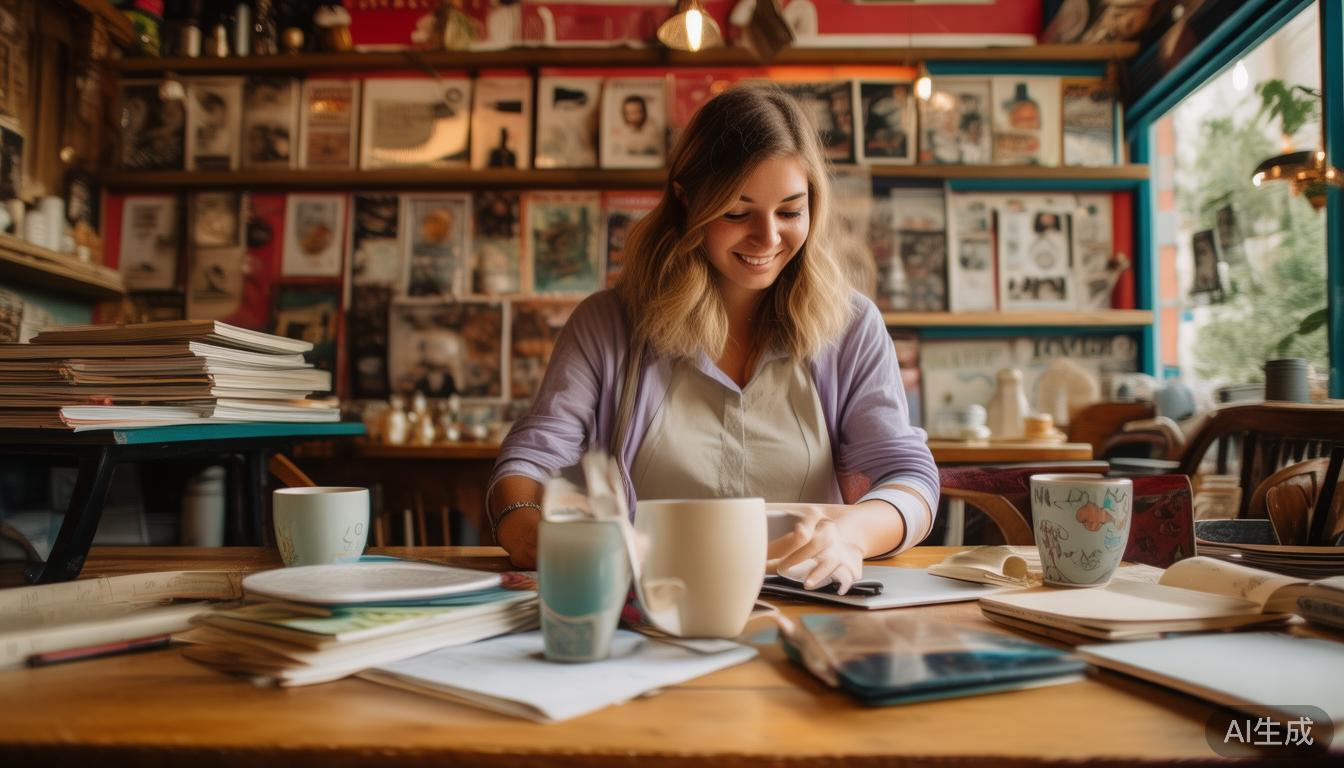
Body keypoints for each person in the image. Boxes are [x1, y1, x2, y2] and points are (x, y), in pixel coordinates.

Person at [487, 84, 938, 594]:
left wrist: (851, 535)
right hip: (654, 611)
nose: (768, 238)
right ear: (687, 201)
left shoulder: (852, 325)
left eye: (790, 212)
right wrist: (527, 531)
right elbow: (531, 459)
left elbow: (909, 477)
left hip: (809, 607)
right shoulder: (608, 326)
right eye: (737, 212)